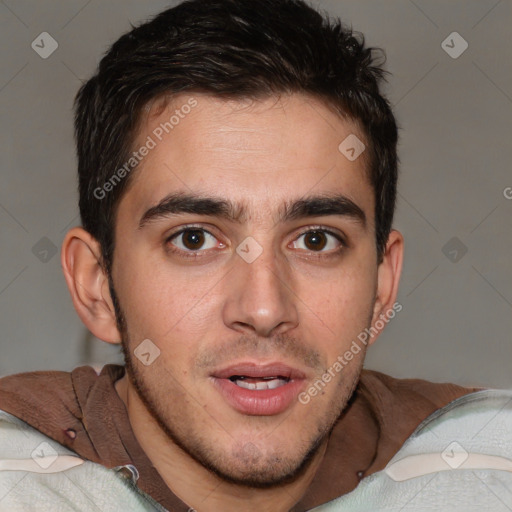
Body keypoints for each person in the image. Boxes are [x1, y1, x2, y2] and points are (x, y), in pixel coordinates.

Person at [1, 1, 510, 511]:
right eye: (195, 239)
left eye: (316, 240)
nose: (264, 310)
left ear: (382, 288)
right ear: (97, 286)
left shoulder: (485, 472)